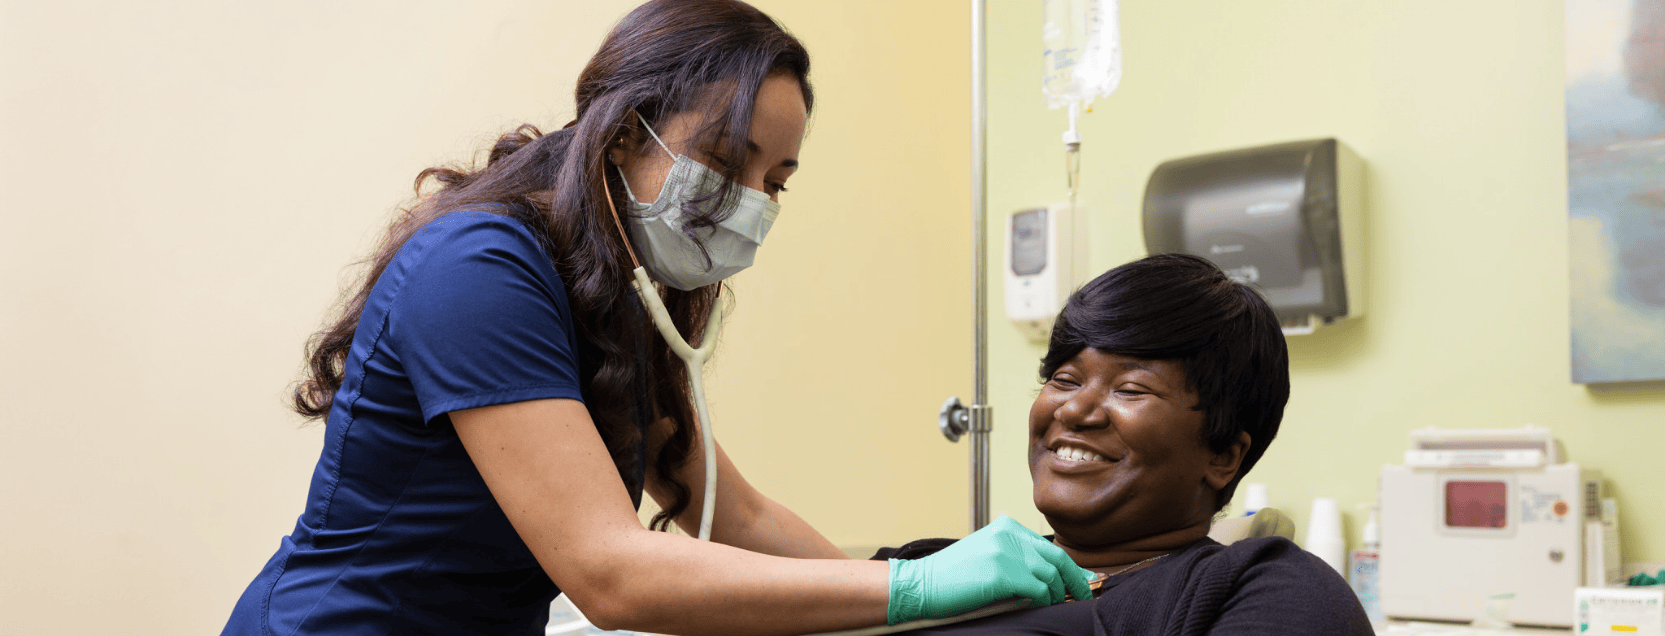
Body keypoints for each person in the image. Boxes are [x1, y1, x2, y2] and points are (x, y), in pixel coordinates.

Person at [219, 1, 1095, 635]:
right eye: (725, 159)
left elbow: (730, 511)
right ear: (625, 133)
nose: (751, 203)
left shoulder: (621, 291)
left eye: (777, 182)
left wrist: (909, 599)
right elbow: (611, 574)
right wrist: (908, 588)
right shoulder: (476, 269)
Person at [874, 253, 1375, 635]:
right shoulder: (944, 569)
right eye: (1065, 380)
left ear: (1223, 455)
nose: (1072, 410)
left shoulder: (1266, 590)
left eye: (1130, 389)